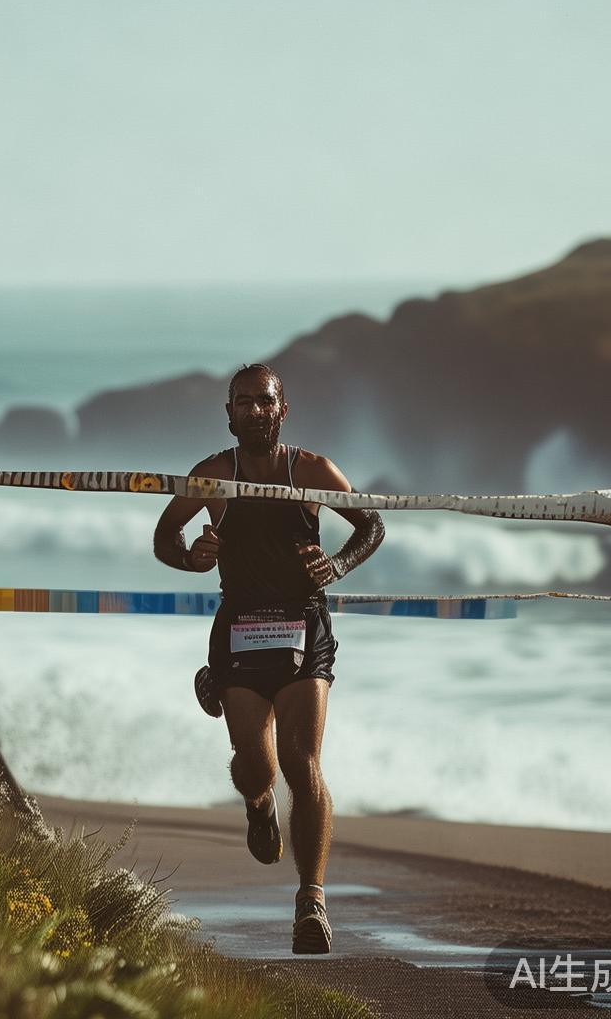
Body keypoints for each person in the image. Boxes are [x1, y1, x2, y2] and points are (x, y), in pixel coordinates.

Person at [153, 363, 385, 954]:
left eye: (265, 401)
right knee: (258, 765)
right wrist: (196, 559)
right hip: (239, 626)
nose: (254, 412)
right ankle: (257, 802)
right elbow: (164, 539)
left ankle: (312, 902)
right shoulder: (211, 475)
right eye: (243, 402)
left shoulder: (311, 470)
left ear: (284, 409)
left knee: (302, 763)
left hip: (303, 623)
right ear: (227, 412)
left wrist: (336, 566)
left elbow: (370, 524)